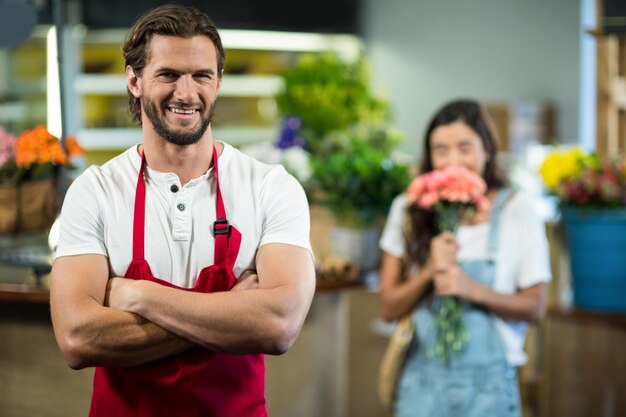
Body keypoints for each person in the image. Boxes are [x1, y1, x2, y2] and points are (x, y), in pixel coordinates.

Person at [49, 5, 315, 417]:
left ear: (219, 82)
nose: (187, 93)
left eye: (202, 76)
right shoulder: (96, 190)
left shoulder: (270, 187)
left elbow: (278, 326)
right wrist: (231, 312)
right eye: (169, 74)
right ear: (134, 81)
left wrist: (140, 295)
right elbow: (77, 338)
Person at [378, 99, 551, 417]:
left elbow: (535, 308)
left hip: (490, 392)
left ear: (487, 148)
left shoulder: (518, 210)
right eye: (440, 150)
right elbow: (387, 307)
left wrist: (468, 287)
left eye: (464, 148)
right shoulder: (407, 208)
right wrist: (430, 270)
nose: (453, 161)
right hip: (420, 388)